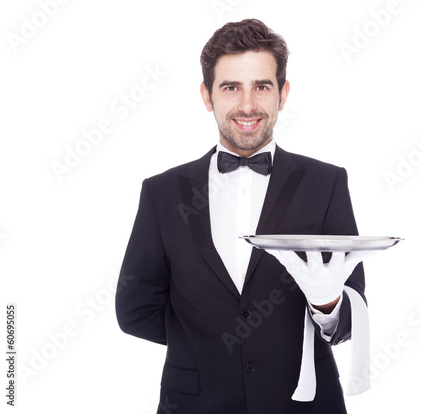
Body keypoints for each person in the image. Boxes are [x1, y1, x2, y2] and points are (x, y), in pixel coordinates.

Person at [115, 18, 371, 414]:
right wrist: (206, 344)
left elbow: (352, 317)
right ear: (207, 95)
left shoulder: (326, 183)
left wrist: (328, 304)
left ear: (283, 94)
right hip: (195, 403)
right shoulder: (162, 192)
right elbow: (134, 311)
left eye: (262, 87)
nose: (248, 105)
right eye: (231, 87)